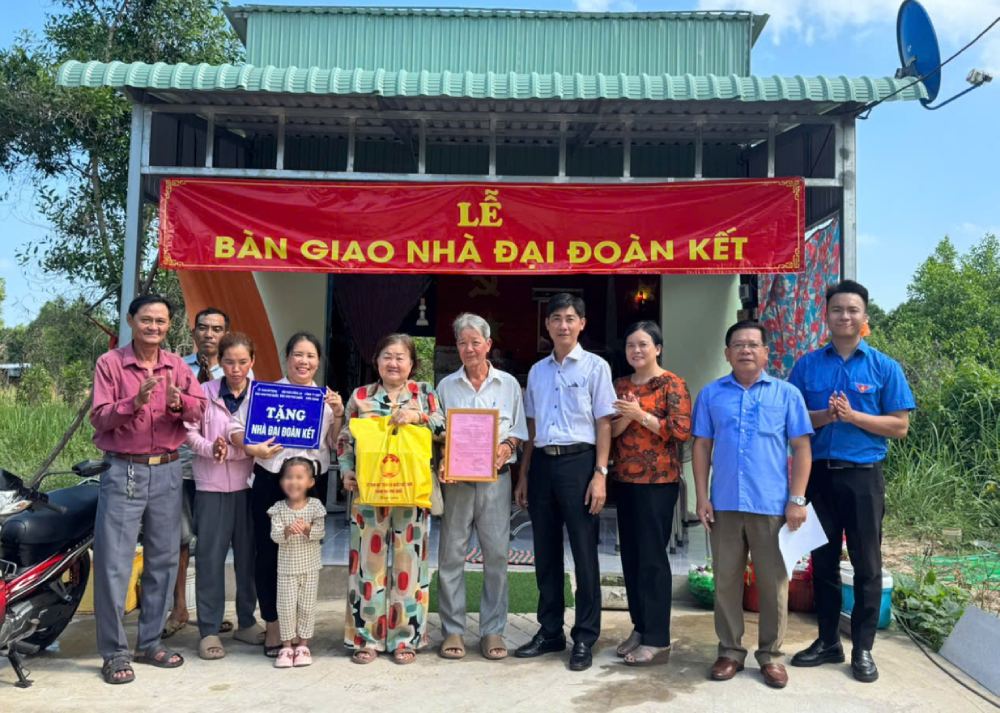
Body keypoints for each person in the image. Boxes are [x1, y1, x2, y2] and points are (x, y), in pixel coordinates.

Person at [789, 280, 915, 683]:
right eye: (837, 310)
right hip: (818, 477)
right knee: (821, 563)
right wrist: (825, 417)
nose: (845, 316)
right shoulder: (807, 365)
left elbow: (899, 426)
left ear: (864, 318)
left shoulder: (883, 367)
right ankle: (827, 641)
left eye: (853, 310)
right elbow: (791, 420)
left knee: (867, 564)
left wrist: (854, 416)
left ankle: (862, 648)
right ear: (826, 316)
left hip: (863, 477)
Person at [90, 294, 206, 685]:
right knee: (114, 564)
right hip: (125, 469)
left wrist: (179, 405)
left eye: (160, 321)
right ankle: (114, 651)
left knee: (163, 560)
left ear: (168, 326)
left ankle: (150, 641)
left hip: (169, 470)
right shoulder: (110, 364)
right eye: (146, 320)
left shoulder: (177, 366)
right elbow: (100, 418)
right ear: (130, 321)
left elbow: (199, 409)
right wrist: (133, 402)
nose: (153, 327)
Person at [692, 320, 813, 689]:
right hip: (725, 503)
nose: (745, 350)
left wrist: (797, 499)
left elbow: (802, 448)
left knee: (774, 583)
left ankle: (772, 656)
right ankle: (729, 651)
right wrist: (701, 496)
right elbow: (701, 446)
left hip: (772, 506)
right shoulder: (712, 395)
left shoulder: (787, 394)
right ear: (727, 353)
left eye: (752, 344)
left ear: (765, 353)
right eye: (738, 345)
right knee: (726, 581)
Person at [513, 293, 616, 672]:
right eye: (556, 318)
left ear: (582, 323)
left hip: (580, 464)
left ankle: (586, 636)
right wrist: (523, 475)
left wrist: (600, 474)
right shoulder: (538, 371)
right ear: (548, 324)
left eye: (570, 318)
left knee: (585, 554)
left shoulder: (595, 367)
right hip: (542, 463)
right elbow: (532, 427)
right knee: (545, 552)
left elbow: (604, 422)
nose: (563, 325)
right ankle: (550, 630)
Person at [229, 332, 344, 657]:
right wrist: (250, 446)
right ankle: (274, 626)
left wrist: (337, 414)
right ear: (287, 358)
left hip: (309, 486)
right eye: (298, 354)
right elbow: (234, 427)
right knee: (267, 555)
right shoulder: (265, 392)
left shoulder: (325, 399)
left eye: (310, 356)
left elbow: (334, 444)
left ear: (318, 362)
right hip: (269, 480)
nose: (304, 361)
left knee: (303, 556)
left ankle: (300, 630)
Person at [337, 333, 445, 665]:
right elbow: (345, 438)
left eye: (400, 357)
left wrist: (418, 417)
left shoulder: (424, 394)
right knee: (366, 566)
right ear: (377, 361)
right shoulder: (360, 396)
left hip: (411, 494)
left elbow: (443, 427)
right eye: (387, 356)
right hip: (369, 494)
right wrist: (345, 471)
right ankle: (366, 638)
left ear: (412, 364)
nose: (393, 363)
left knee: (408, 565)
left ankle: (405, 638)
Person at [436, 313, 529, 661]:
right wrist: (444, 456)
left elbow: (519, 433)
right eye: (463, 342)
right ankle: (453, 630)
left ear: (488, 345)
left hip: (496, 482)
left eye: (476, 342)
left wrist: (505, 449)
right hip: (458, 483)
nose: (469, 348)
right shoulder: (447, 387)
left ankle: (493, 629)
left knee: (497, 555)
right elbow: (438, 434)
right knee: (451, 555)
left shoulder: (508, 385)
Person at [610, 321, 692, 666]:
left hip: (658, 482)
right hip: (625, 481)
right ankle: (640, 626)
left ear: (657, 348)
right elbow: (611, 429)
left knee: (652, 558)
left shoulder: (672, 384)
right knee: (630, 556)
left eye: (643, 344)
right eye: (631, 345)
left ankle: (658, 637)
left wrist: (639, 414)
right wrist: (628, 417)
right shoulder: (621, 384)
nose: (637, 351)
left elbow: (680, 431)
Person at [185, 332, 261, 661]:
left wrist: (231, 451)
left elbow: (268, 434)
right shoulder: (203, 393)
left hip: (250, 486)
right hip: (211, 488)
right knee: (210, 559)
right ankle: (210, 629)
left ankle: (247, 620)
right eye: (229, 362)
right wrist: (209, 448)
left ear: (252, 363)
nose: (236, 368)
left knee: (249, 558)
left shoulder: (262, 395)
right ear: (220, 362)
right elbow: (188, 432)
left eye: (243, 362)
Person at [166, 306, 232, 640]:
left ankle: (212, 611)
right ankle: (178, 607)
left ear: (226, 334)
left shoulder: (236, 372)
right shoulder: (176, 369)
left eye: (217, 329)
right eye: (203, 328)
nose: (209, 334)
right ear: (194, 332)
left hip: (218, 472)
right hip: (179, 465)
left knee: (212, 544)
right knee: (177, 540)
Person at [268, 457, 326, 669]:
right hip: (286, 569)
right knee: (285, 607)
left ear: (310, 482)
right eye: (288, 477)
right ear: (282, 481)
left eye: (299, 477)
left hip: (310, 568)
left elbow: (321, 532)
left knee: (307, 606)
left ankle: (303, 644)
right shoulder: (278, 509)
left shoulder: (316, 507)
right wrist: (286, 531)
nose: (294, 482)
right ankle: (286, 645)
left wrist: (308, 529)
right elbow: (275, 536)